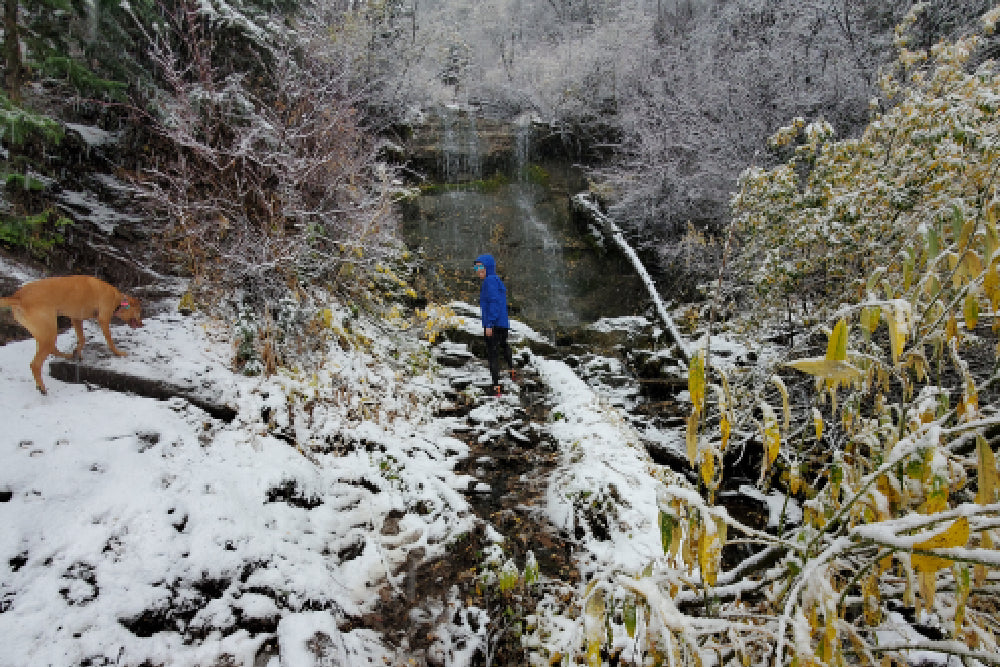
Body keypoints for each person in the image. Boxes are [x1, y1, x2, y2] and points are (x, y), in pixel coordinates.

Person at [474, 253, 515, 396]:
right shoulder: (497, 280)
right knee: (504, 345)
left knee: (492, 354)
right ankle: (512, 370)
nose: (478, 270)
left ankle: (496, 388)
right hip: (503, 324)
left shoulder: (489, 281)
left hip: (494, 324)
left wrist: (489, 324)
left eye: (480, 266)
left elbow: (493, 303)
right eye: (476, 267)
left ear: (488, 267)